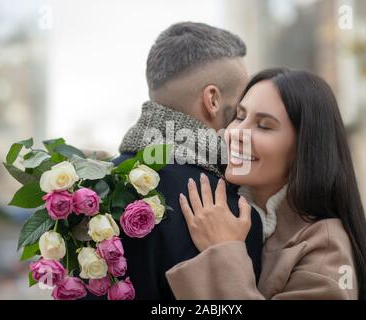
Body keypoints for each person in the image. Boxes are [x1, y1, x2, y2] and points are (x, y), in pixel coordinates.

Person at [166, 68, 366, 300]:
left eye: (264, 126)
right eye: (239, 116)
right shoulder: (214, 208)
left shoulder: (326, 247)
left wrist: (224, 249)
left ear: (305, 147)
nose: (237, 133)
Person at [110, 22, 264, 299]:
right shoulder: (230, 214)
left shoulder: (89, 190)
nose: (246, 117)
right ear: (213, 100)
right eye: (242, 104)